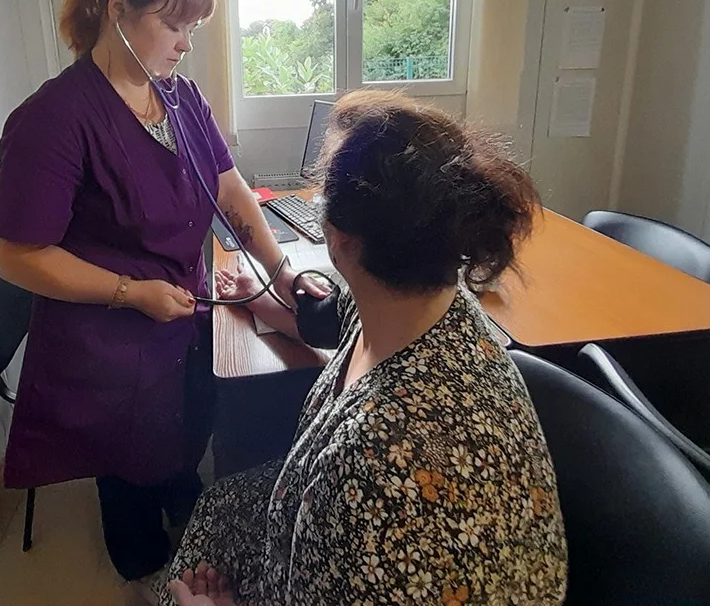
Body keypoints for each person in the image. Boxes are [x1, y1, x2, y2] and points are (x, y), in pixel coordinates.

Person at [0, 0, 317, 584]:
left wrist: (280, 272)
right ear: (117, 8)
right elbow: (15, 255)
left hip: (182, 317)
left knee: (185, 438)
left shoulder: (181, 97)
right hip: (107, 342)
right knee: (130, 479)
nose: (185, 43)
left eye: (193, 28)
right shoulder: (56, 118)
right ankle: (144, 567)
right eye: (173, 24)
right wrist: (129, 291)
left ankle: (181, 504)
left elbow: (231, 191)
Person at [158, 90, 569, 606]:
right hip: (345, 535)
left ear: (340, 240)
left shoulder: (373, 464)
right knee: (217, 504)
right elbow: (327, 319)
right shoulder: (422, 302)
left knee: (187, 575)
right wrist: (258, 299)